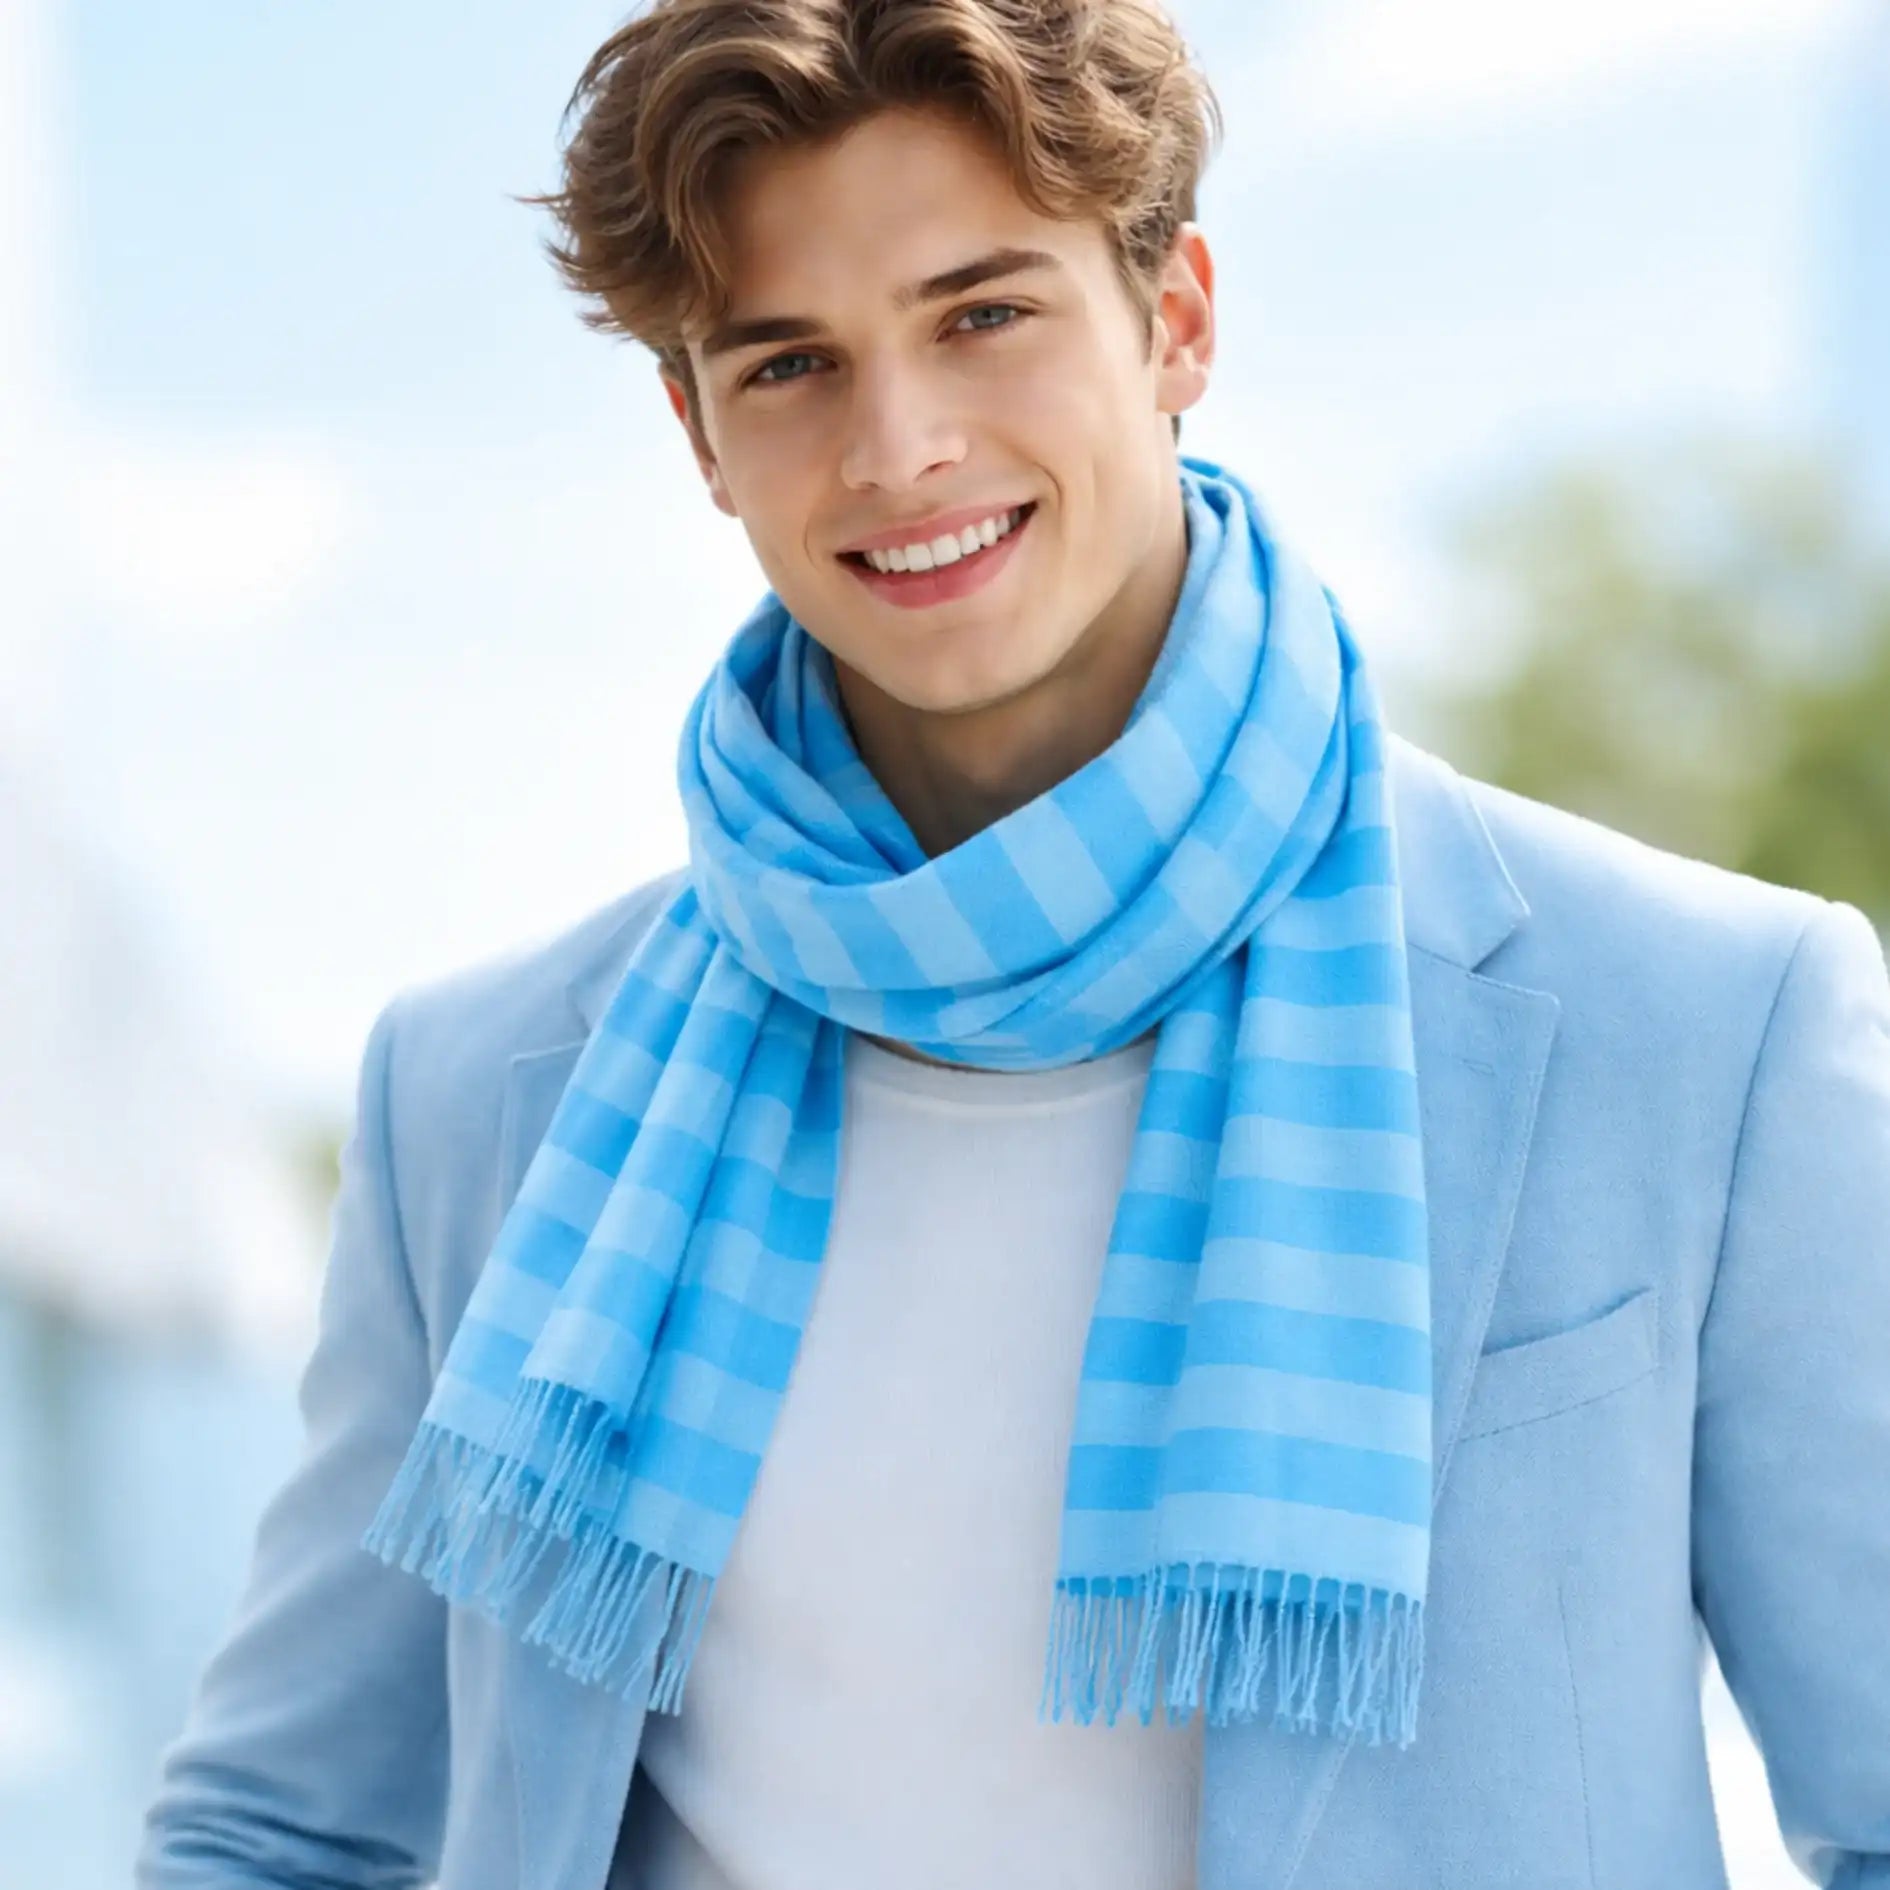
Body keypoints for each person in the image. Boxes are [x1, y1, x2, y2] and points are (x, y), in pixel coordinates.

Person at [137, 2, 1890, 1886]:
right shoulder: (477, 1105)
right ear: (697, 436)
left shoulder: (1703, 1029)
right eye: (791, 361)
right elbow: (279, 1826)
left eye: (983, 314)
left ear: (1177, 319)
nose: (899, 445)